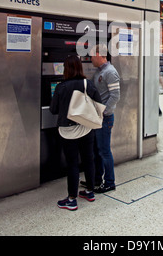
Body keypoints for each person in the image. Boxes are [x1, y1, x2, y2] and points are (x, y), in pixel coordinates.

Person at [50, 55, 102, 211]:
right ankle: (90, 192)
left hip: (68, 131)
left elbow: (53, 109)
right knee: (88, 160)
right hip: (86, 128)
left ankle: (72, 200)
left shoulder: (60, 87)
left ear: (66, 69)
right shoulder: (88, 84)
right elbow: (99, 104)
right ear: (80, 67)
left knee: (72, 163)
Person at [90, 44, 120, 193]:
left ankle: (109, 182)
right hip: (97, 117)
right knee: (97, 150)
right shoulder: (98, 72)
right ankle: (97, 180)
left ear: (99, 54)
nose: (90, 59)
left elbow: (115, 95)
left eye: (92, 56)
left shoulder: (110, 72)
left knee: (104, 151)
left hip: (105, 118)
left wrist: (103, 112)